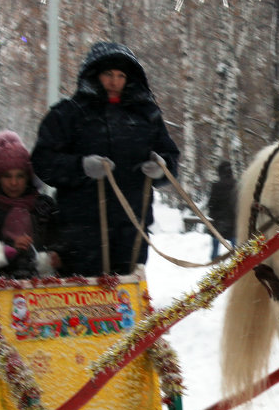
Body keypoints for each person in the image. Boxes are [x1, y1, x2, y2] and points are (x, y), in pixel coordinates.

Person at [32, 41, 181, 276]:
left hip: (131, 229)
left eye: (121, 75)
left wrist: (162, 168)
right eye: (108, 74)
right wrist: (80, 167)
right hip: (81, 231)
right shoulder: (68, 114)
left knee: (127, 303)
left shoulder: (147, 116)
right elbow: (42, 161)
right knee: (85, 304)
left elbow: (170, 156)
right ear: (94, 75)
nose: (114, 82)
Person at [0, 130, 61, 278]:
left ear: (28, 177)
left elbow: (59, 240)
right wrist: (11, 249)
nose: (14, 183)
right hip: (4, 289)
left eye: (20, 176)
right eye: (7, 176)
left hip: (44, 289)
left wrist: (55, 255)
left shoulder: (44, 207)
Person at [205, 160, 237, 260]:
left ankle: (214, 259)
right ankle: (239, 259)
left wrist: (214, 215)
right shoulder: (237, 184)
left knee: (216, 240)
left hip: (219, 221)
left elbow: (211, 204)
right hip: (234, 220)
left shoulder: (216, 186)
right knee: (236, 243)